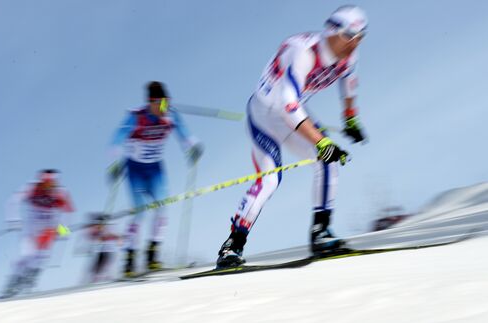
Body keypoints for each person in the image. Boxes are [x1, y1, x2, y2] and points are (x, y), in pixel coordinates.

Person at [216, 5, 368, 268]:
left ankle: (321, 234)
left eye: (360, 37)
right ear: (332, 31)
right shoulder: (303, 52)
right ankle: (232, 245)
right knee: (270, 179)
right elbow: (289, 104)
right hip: (264, 116)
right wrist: (321, 141)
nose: (354, 43)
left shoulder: (348, 57)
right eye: (349, 35)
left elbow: (348, 84)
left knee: (328, 162)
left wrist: (351, 119)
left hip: (292, 118)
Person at [109, 81, 203, 277]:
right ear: (151, 102)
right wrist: (114, 163)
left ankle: (152, 257)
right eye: (160, 104)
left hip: (156, 170)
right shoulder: (136, 117)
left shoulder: (171, 115)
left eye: (167, 103)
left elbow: (184, 134)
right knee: (140, 212)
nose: (164, 108)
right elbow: (116, 139)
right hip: (134, 169)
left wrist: (193, 146)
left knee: (162, 210)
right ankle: (129, 259)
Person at [0, 169, 74, 298]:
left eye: (51, 183)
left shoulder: (61, 192)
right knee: (28, 255)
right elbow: (12, 201)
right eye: (45, 183)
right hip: (31, 227)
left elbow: (68, 212)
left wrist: (64, 229)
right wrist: (13, 219)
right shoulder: (32, 187)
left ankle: (29, 282)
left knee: (42, 256)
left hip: (48, 228)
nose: (48, 186)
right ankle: (13, 284)